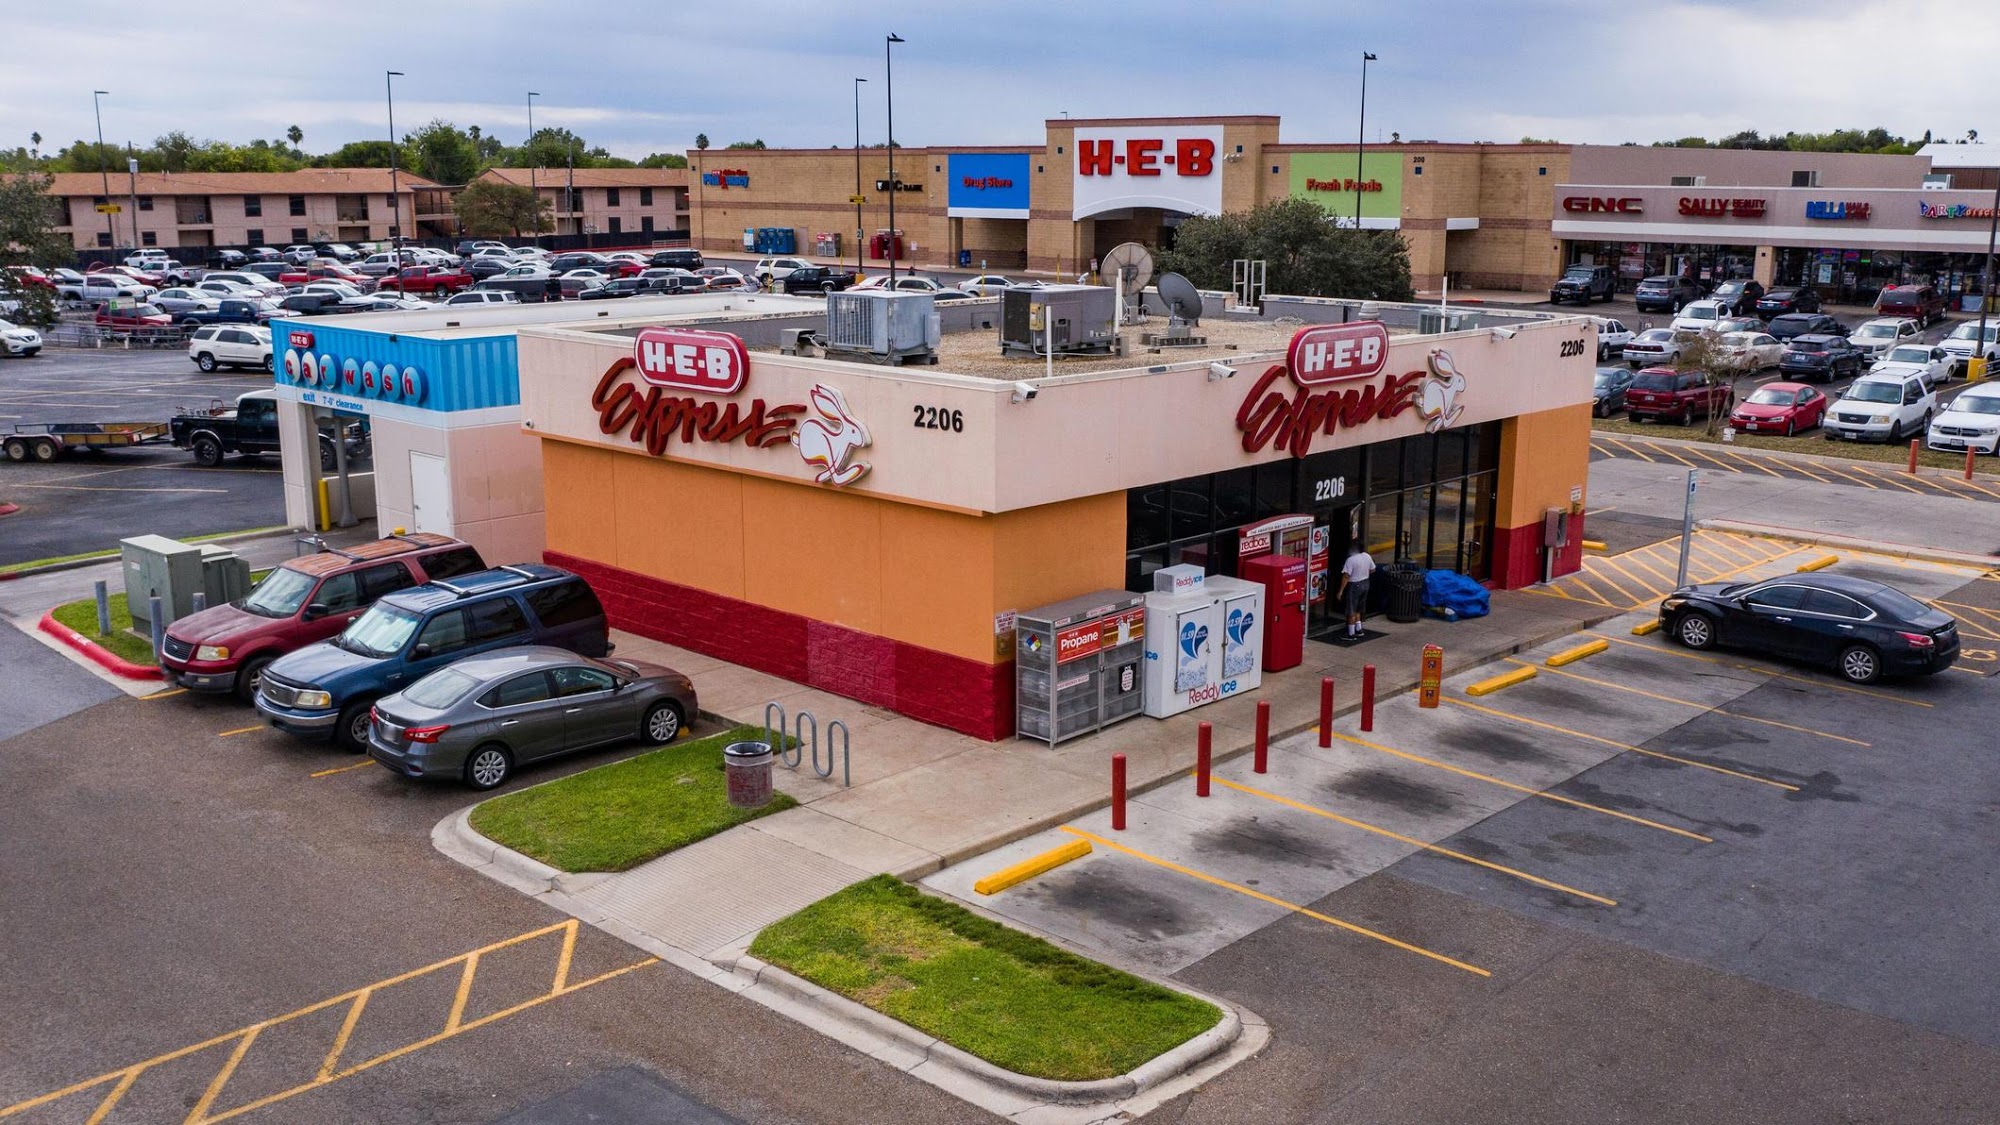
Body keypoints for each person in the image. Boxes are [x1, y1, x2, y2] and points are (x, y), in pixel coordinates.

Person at [1336, 544, 1376, 638]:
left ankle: (1350, 633)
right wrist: (1364, 573)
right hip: (1365, 583)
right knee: (1359, 608)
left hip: (1354, 585)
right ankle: (1359, 629)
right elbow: (1373, 569)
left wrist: (1340, 591)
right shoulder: (1367, 556)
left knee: (1351, 609)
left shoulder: (1351, 560)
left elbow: (1346, 576)